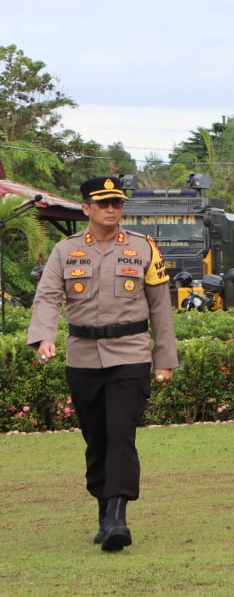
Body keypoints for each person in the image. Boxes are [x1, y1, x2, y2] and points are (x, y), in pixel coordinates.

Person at [27, 176, 178, 552]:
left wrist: (165, 359)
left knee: (121, 435)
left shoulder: (144, 248)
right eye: (103, 203)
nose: (112, 209)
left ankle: (117, 518)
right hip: (83, 358)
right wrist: (44, 336)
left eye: (117, 203)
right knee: (97, 439)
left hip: (130, 354)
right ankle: (103, 510)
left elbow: (160, 308)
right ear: (87, 209)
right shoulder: (66, 251)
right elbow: (47, 297)